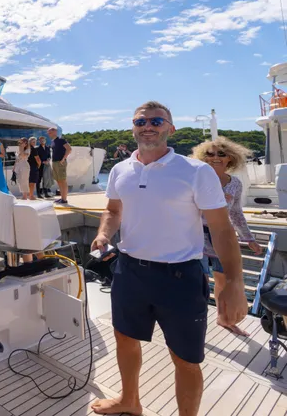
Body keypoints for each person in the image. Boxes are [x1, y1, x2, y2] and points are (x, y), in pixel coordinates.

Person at [90, 101, 248, 416]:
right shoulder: (121, 170)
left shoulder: (196, 171)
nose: (148, 125)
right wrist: (104, 235)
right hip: (129, 271)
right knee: (125, 339)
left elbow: (221, 228)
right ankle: (130, 401)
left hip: (181, 277)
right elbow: (113, 210)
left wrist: (234, 281)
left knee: (186, 359)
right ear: (133, 127)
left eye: (157, 120)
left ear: (170, 128)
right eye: (141, 120)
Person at [191, 137, 262, 336]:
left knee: (223, 280)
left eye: (221, 154)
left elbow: (236, 213)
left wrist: (249, 238)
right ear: (203, 157)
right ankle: (196, 321)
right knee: (199, 280)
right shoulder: (197, 179)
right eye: (210, 153)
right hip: (198, 234)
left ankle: (225, 319)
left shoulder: (235, 184)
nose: (215, 157)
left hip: (223, 235)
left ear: (231, 158)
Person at [47, 127, 71, 204]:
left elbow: (69, 149)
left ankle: (64, 199)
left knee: (63, 180)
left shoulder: (61, 140)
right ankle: (62, 198)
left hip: (60, 163)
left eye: (50, 132)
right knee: (59, 180)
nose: (48, 134)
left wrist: (63, 159)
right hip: (54, 162)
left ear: (55, 132)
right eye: (48, 133)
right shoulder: (53, 142)